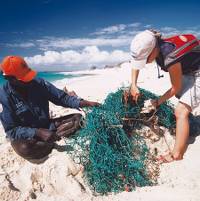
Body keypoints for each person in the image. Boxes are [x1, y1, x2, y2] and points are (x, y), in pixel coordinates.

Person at [0, 56, 100, 161]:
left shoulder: (39, 83)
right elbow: (12, 131)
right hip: (27, 136)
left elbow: (61, 98)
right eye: (23, 78)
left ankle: (51, 138)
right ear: (9, 78)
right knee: (24, 148)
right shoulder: (4, 96)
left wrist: (83, 103)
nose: (28, 80)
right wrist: (37, 132)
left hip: (47, 125)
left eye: (27, 75)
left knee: (77, 118)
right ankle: (52, 140)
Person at [130, 30, 200, 163]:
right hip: (188, 70)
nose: (144, 63)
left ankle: (177, 154)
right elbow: (135, 66)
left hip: (197, 72)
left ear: (154, 49)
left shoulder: (169, 55)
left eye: (145, 59)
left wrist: (156, 102)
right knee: (183, 97)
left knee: (180, 111)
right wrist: (134, 84)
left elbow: (175, 88)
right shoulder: (152, 43)